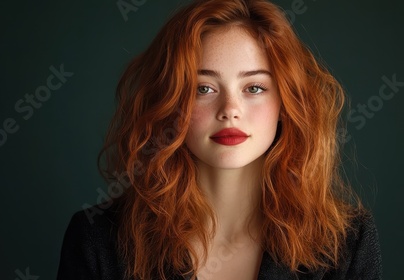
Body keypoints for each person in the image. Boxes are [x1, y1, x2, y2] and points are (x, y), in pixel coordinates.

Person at [57, 0, 382, 279]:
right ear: (169, 105)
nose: (230, 110)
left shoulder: (348, 243)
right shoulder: (97, 240)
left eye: (254, 88)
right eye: (203, 89)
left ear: (285, 104)